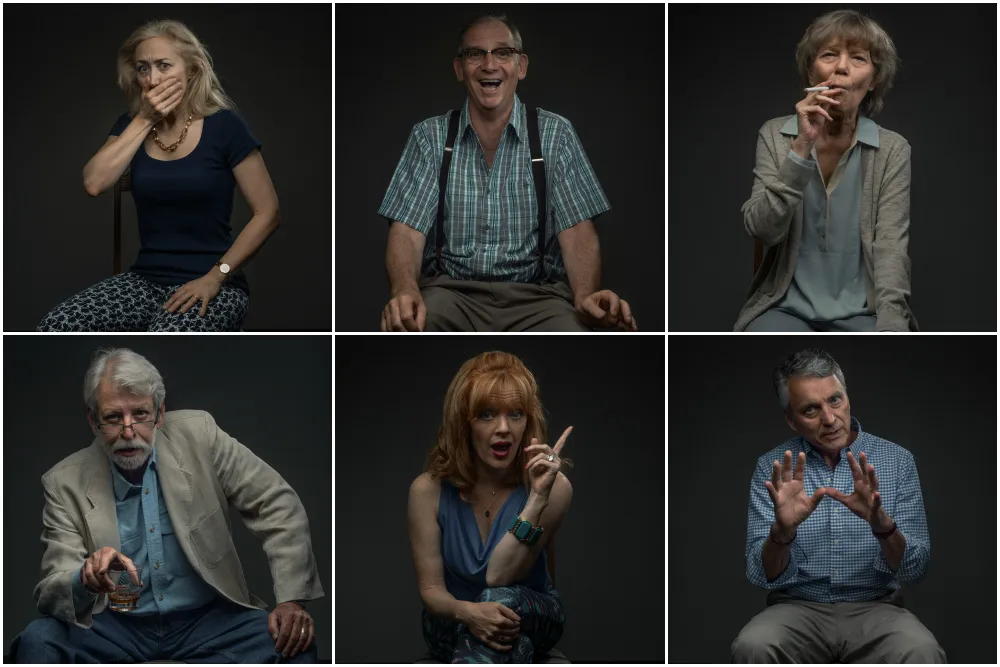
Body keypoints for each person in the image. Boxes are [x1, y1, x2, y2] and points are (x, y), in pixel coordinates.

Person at [9, 348, 323, 663]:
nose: (128, 431)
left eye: (141, 414)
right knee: (38, 641)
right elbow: (52, 587)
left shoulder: (200, 434)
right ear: (94, 421)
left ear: (160, 413)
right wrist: (84, 577)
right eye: (113, 417)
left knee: (295, 647)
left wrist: (291, 601)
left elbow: (276, 502)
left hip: (212, 623)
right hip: (114, 627)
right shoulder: (64, 482)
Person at [379, 13, 637, 332]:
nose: (490, 64)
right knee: (410, 326)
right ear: (460, 68)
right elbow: (406, 232)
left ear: (521, 66)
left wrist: (585, 294)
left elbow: (578, 234)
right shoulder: (429, 137)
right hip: (450, 294)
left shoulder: (555, 134)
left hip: (539, 298)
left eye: (503, 52)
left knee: (572, 332)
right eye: (476, 53)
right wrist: (405, 289)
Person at [37, 19, 281, 332]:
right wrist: (144, 120)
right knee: (56, 325)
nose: (152, 79)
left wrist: (216, 276)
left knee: (169, 332)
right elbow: (94, 183)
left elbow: (268, 212)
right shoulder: (131, 124)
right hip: (144, 281)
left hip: (212, 281)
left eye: (164, 65)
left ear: (191, 70)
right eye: (143, 68)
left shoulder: (225, 126)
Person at [731, 348, 944, 663]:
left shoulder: (897, 461)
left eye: (835, 400)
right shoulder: (771, 467)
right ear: (791, 420)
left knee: (921, 650)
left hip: (878, 608)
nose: (830, 419)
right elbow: (762, 575)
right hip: (796, 610)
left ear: (847, 398)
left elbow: (915, 569)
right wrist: (782, 533)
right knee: (753, 645)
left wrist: (883, 528)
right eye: (811, 410)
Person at [735, 10, 918, 332]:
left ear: (874, 79)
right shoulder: (776, 136)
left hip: (864, 312)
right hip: (784, 309)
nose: (841, 67)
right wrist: (802, 146)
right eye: (829, 55)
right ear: (811, 72)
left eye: (858, 58)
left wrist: (891, 324)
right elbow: (763, 229)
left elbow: (891, 248)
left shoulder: (893, 149)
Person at [408, 351, 573, 662]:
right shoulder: (426, 491)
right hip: (452, 616)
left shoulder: (555, 487)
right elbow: (431, 591)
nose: (503, 429)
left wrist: (537, 497)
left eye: (515, 414)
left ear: (528, 421)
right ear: (464, 423)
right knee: (509, 644)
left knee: (500, 600)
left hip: (531, 612)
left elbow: (499, 576)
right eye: (486, 414)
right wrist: (470, 613)